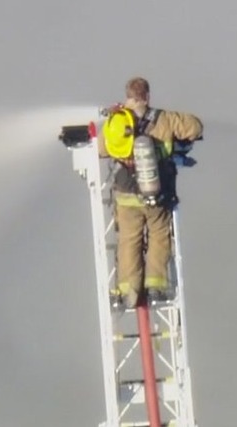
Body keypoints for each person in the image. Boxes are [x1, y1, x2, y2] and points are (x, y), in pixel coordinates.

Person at [99, 76, 204, 308]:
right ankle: (155, 287)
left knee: (128, 239)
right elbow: (195, 127)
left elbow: (102, 149)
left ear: (127, 95)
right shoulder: (164, 118)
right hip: (157, 193)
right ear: (147, 96)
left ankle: (129, 289)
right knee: (158, 235)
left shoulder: (115, 120)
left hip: (125, 193)